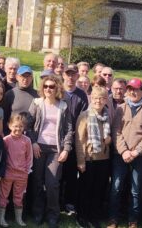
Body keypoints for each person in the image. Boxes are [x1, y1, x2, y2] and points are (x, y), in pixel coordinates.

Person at [109, 78, 142, 228]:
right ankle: (113, 218)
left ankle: (133, 220)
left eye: (136, 89)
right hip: (120, 155)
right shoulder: (120, 109)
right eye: (130, 89)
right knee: (116, 187)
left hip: (140, 156)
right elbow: (116, 131)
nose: (132, 91)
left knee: (136, 189)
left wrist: (136, 151)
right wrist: (124, 151)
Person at [27, 75, 74, 228]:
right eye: (46, 86)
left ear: (57, 88)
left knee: (52, 183)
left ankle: (53, 214)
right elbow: (28, 125)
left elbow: (68, 130)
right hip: (39, 147)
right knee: (37, 181)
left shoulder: (63, 106)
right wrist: (33, 142)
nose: (48, 89)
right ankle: (38, 212)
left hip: (56, 150)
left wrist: (66, 149)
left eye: (52, 86)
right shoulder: (37, 103)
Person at [73, 87, 112, 228]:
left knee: (98, 189)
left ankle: (93, 216)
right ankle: (82, 216)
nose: (98, 101)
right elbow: (79, 140)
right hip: (89, 159)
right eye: (95, 98)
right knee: (86, 189)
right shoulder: (84, 115)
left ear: (106, 100)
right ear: (91, 99)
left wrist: (109, 140)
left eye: (101, 98)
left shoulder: (107, 115)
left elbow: (109, 136)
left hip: (103, 158)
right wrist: (80, 161)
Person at [60, 64, 88, 214]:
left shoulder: (81, 95)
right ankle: (57, 202)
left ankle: (69, 203)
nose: (70, 77)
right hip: (57, 139)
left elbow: (84, 119)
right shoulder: (57, 90)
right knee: (58, 174)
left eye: (73, 74)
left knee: (71, 174)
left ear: (77, 76)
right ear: (63, 75)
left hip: (75, 139)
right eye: (68, 74)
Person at [0, 113, 33, 227]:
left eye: (21, 126)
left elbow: (29, 157)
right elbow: (1, 157)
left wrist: (27, 170)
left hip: (22, 174)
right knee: (3, 195)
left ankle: (19, 219)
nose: (18, 129)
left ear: (24, 127)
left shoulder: (27, 141)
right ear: (9, 126)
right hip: (8, 173)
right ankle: (1, 218)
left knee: (19, 197)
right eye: (15, 126)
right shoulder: (6, 140)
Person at [0, 66, 38, 135]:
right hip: (13, 135)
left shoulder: (38, 95)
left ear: (32, 78)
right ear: (17, 77)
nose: (25, 79)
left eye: (28, 76)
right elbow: (4, 117)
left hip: (33, 136)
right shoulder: (10, 94)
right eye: (22, 76)